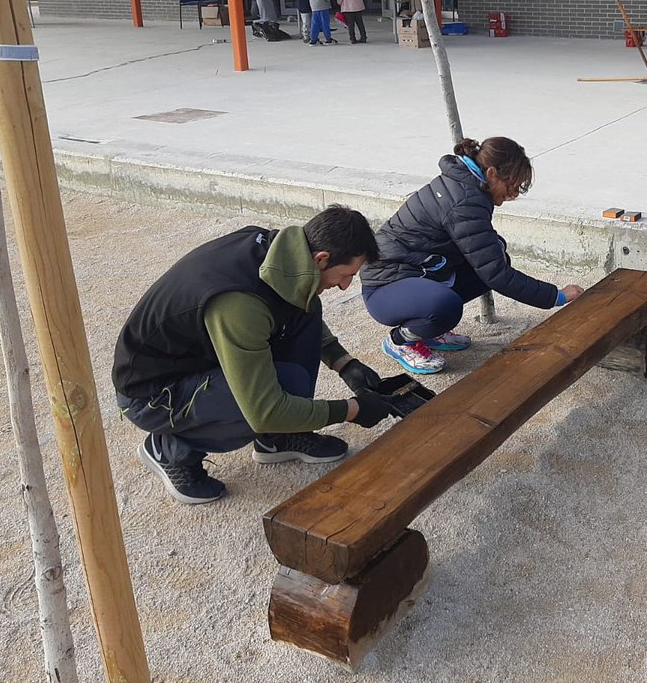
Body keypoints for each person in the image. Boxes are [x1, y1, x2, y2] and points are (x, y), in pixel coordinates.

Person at [112, 205, 393, 504]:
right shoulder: (240, 303)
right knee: (257, 408)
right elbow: (264, 411)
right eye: (346, 274)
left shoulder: (280, 255)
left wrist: (344, 363)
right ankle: (169, 450)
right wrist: (352, 409)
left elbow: (299, 306)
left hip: (198, 360)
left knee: (307, 304)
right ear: (322, 259)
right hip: (152, 395)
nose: (345, 285)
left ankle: (277, 439)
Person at [359, 137, 585, 375]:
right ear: (491, 173)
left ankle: (429, 330)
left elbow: (488, 258)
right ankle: (400, 340)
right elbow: (498, 276)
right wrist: (557, 296)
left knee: (494, 257)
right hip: (384, 286)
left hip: (417, 271)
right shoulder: (465, 199)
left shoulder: (467, 186)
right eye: (512, 186)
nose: (514, 194)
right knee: (447, 306)